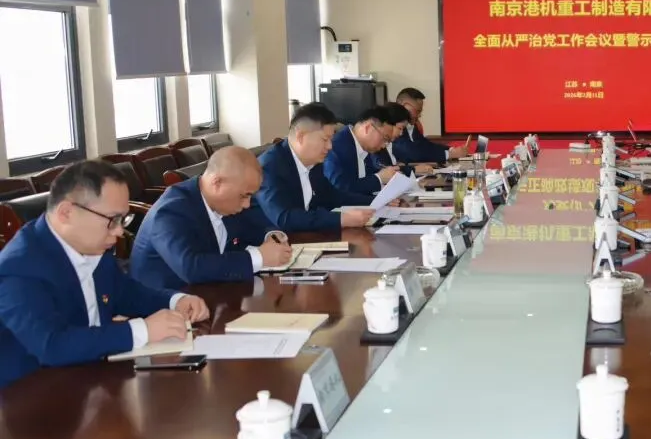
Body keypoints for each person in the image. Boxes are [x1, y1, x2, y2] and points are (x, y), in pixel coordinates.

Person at [0, 161, 209, 388]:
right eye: (112, 220)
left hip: (90, 376)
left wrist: (175, 300)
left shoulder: (91, 244)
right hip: (32, 393)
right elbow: (52, 345)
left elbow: (125, 292)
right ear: (66, 213)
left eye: (123, 219)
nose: (119, 231)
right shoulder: (19, 268)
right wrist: (141, 331)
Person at [130, 147, 292, 288]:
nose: (247, 204)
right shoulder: (171, 211)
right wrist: (259, 257)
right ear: (217, 183)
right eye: (244, 195)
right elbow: (191, 267)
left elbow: (252, 227)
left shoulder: (226, 202)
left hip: (211, 293)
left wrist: (271, 236)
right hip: (165, 303)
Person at [256, 103, 376, 232]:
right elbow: (285, 218)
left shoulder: (313, 162)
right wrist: (341, 219)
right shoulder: (270, 167)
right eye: (325, 139)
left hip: (305, 235)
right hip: (272, 239)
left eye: (331, 140)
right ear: (300, 136)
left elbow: (332, 196)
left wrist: (375, 201)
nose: (330, 146)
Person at [323, 106, 399, 196]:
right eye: (385, 138)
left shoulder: (365, 148)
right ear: (368, 128)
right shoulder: (336, 147)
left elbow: (366, 180)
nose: (383, 146)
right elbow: (340, 188)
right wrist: (379, 178)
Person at [392, 88, 469, 164]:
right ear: (404, 106)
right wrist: (450, 154)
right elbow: (411, 152)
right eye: (417, 111)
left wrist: (451, 149)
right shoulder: (392, 124)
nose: (419, 115)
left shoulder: (411, 125)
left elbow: (425, 145)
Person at [376, 102, 435, 176]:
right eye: (400, 128)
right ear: (388, 124)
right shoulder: (376, 146)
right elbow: (384, 170)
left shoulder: (388, 144)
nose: (401, 133)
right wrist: (413, 170)